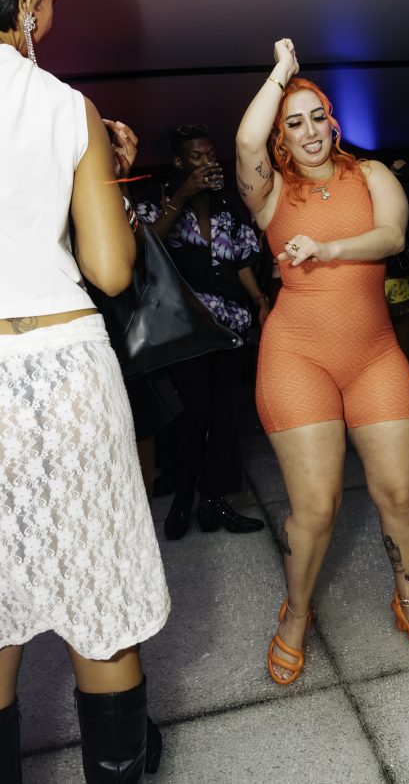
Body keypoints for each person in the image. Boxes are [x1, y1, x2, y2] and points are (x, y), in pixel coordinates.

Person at [0, 0, 170, 781]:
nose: (51, 18)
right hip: (65, 374)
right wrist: (97, 171)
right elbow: (111, 269)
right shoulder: (66, 107)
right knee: (101, 611)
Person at [235, 39, 409, 686]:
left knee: (401, 493)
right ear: (280, 138)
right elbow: (244, 142)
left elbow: (392, 236)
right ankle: (297, 614)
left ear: (333, 122)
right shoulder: (270, 194)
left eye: (317, 118)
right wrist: (282, 75)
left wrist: (328, 250)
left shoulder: (373, 175)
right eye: (293, 123)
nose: (308, 132)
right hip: (297, 357)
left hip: (374, 356)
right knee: (317, 508)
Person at [137, 126, 266, 540]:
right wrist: (182, 195)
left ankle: (215, 501)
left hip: (230, 324)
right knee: (195, 413)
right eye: (197, 157)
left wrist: (260, 300)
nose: (207, 163)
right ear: (179, 161)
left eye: (210, 155)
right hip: (188, 328)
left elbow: (241, 259)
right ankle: (183, 500)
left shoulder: (228, 202)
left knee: (225, 413)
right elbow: (146, 249)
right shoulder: (157, 198)